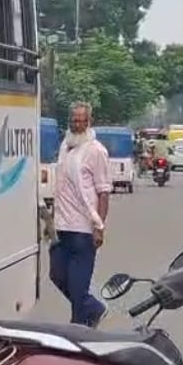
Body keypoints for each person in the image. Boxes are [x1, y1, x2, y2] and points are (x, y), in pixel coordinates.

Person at [50, 101, 112, 327]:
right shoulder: (65, 147)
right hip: (61, 227)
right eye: (73, 120)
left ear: (89, 122)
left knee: (77, 287)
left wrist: (99, 228)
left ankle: (79, 329)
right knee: (56, 275)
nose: (76, 125)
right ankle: (93, 308)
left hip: (83, 230)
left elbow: (104, 192)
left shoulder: (96, 151)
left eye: (80, 121)